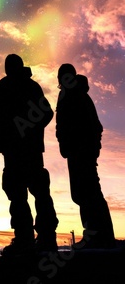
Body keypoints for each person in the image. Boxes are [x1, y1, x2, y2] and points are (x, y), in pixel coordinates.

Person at [0, 54, 58, 256]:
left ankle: (45, 237)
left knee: (37, 192)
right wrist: (2, 141)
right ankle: (25, 238)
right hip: (13, 150)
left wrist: (28, 129)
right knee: (18, 195)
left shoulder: (30, 86)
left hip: (28, 149)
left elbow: (46, 112)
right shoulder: (5, 85)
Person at [56, 64, 115, 249]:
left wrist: (92, 148)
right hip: (74, 151)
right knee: (82, 194)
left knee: (90, 192)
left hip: (83, 152)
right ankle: (93, 234)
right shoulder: (66, 96)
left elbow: (95, 126)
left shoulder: (80, 95)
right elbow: (62, 124)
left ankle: (102, 236)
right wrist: (63, 142)